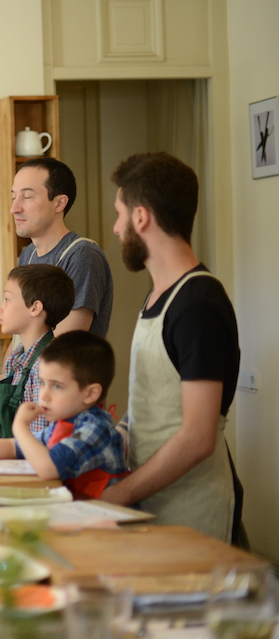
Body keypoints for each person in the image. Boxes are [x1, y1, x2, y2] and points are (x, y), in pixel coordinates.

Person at [100, 152, 242, 544]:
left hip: (192, 512)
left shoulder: (198, 303)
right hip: (152, 499)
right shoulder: (158, 295)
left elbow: (197, 437)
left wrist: (121, 494)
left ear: (141, 217)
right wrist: (115, 434)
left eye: (119, 213)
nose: (115, 228)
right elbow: (153, 399)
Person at [0, 331, 127, 499]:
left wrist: (20, 426)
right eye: (42, 383)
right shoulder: (62, 422)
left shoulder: (95, 428)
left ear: (90, 394)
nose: (43, 395)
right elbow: (14, 447)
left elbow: (49, 468)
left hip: (109, 518)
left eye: (57, 386)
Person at [11, 157, 114, 336]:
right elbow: (20, 339)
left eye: (26, 197)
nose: (14, 208)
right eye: (13, 197)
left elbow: (62, 343)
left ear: (59, 203)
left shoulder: (82, 255)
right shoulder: (27, 255)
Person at [0, 264, 75, 441]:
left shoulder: (46, 365)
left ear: (35, 308)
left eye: (7, 299)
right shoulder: (16, 356)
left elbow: (40, 439)